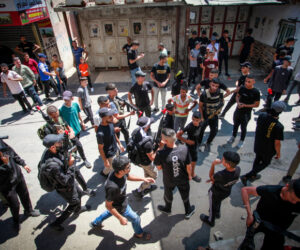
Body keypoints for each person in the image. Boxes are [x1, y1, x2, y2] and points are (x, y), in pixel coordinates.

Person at [90, 155, 153, 240]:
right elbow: (108, 206)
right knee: (136, 219)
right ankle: (139, 234)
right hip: (121, 206)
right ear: (120, 171)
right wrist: (120, 218)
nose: (130, 168)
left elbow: (129, 176)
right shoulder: (112, 187)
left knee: (110, 212)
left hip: (118, 200)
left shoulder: (119, 172)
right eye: (128, 167)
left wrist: (143, 179)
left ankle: (96, 222)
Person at [40, 134, 91, 231]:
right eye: (59, 142)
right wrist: (71, 165)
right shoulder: (52, 165)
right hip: (65, 187)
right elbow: (65, 181)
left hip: (68, 180)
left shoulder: (51, 151)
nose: (61, 143)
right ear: (52, 147)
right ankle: (56, 223)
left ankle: (78, 209)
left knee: (79, 193)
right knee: (74, 202)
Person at [43, 105, 95, 196]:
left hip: (69, 144)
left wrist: (71, 132)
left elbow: (67, 126)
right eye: (53, 117)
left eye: (57, 116)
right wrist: (59, 136)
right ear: (49, 115)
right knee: (74, 170)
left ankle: (83, 187)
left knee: (78, 147)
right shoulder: (48, 128)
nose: (56, 118)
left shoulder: (60, 119)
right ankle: (83, 189)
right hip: (61, 152)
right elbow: (51, 143)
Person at [238, 178, 300, 250]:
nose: (294, 202)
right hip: (259, 222)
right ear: (287, 186)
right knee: (247, 244)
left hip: (277, 229)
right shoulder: (270, 190)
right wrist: (249, 215)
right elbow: (245, 190)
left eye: (297, 201)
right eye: (292, 199)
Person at [240, 101, 285, 186]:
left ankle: (253, 175)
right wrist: (278, 153)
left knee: (257, 159)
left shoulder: (262, 116)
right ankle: (247, 176)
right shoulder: (278, 126)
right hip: (268, 149)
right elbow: (277, 143)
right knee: (265, 163)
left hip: (258, 143)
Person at [154, 128, 195, 219]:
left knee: (168, 194)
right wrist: (189, 175)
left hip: (169, 179)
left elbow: (159, 168)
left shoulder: (160, 153)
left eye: (162, 137)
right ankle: (188, 211)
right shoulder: (184, 148)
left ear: (165, 140)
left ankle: (167, 208)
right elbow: (189, 165)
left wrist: (160, 147)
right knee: (185, 194)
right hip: (182, 178)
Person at [0, 139, 40, 230]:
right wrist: (5, 164)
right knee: (15, 204)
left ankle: (29, 210)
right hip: (6, 185)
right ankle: (16, 221)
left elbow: (12, 153)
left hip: (18, 176)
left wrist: (23, 164)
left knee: (25, 194)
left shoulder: (2, 144)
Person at [200, 151, 240, 227]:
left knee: (212, 206)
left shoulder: (221, 174)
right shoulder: (238, 169)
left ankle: (211, 220)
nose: (221, 159)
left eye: (223, 159)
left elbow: (211, 176)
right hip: (226, 192)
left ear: (227, 164)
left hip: (216, 193)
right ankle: (217, 213)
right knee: (218, 202)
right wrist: (214, 180)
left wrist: (213, 164)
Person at [59, 90, 92, 168]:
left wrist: (82, 122)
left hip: (77, 129)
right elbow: (60, 121)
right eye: (65, 99)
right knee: (79, 145)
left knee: (75, 146)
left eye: (68, 99)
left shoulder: (75, 105)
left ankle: (74, 155)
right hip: (70, 132)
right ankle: (84, 159)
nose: (66, 101)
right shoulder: (61, 109)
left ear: (72, 98)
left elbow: (78, 114)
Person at [227, 75, 260, 149]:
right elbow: (237, 96)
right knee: (235, 125)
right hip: (238, 110)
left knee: (243, 128)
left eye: (249, 82)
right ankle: (233, 136)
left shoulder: (256, 92)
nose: (246, 83)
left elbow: (257, 104)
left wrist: (245, 105)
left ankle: (241, 141)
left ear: (253, 82)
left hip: (246, 113)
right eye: (246, 81)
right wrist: (238, 103)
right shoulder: (242, 88)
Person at [198, 78, 229, 151]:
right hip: (206, 115)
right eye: (213, 85)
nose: (214, 87)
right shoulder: (204, 94)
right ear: (210, 84)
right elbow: (200, 106)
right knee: (201, 130)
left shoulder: (220, 92)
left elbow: (222, 102)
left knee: (214, 131)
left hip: (214, 115)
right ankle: (199, 142)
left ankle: (208, 142)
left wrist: (218, 110)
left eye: (216, 86)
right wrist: (202, 117)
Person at [131, 116, 158, 198]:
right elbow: (152, 157)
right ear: (146, 126)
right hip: (146, 162)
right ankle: (139, 190)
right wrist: (159, 148)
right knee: (153, 176)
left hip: (140, 159)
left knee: (147, 172)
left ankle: (148, 187)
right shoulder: (147, 143)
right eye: (149, 123)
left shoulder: (136, 131)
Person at [97, 108, 125, 178]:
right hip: (109, 154)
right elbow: (100, 148)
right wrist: (105, 161)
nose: (113, 118)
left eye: (112, 115)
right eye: (110, 116)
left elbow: (113, 133)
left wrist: (120, 144)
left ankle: (105, 172)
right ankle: (105, 174)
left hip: (115, 148)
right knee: (111, 168)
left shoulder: (110, 123)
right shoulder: (100, 133)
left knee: (113, 165)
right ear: (103, 118)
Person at [177, 111, 202, 182]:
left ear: (200, 120)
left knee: (193, 161)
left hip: (195, 146)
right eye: (193, 119)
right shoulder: (189, 126)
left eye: (197, 120)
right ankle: (189, 175)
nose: (194, 122)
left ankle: (191, 174)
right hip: (189, 147)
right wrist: (187, 141)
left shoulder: (201, 124)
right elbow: (178, 135)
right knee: (188, 163)